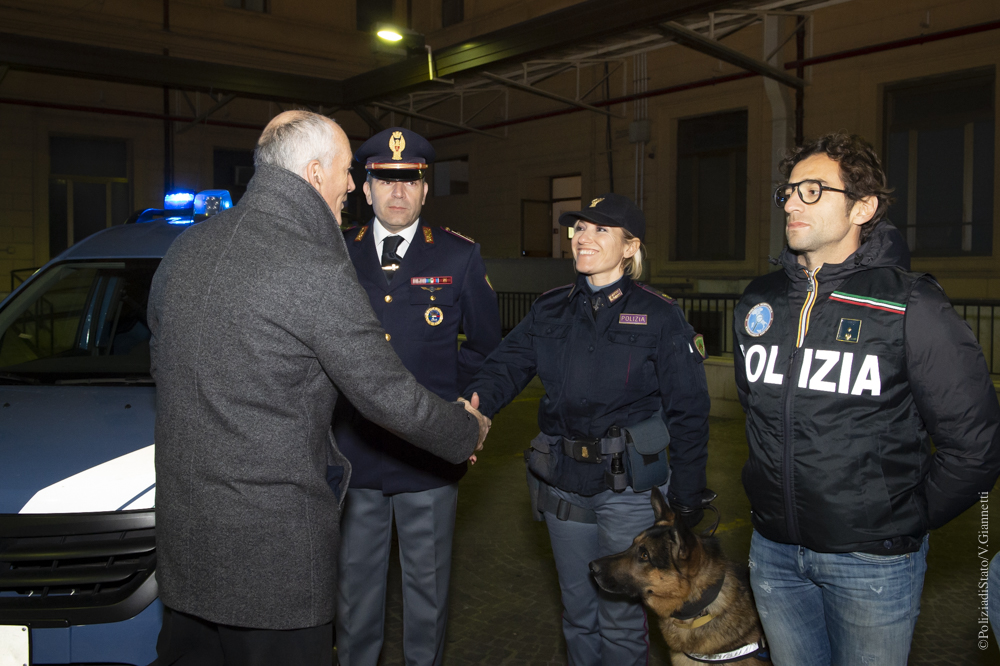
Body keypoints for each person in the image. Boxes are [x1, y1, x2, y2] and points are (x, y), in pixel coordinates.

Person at [148, 110, 490, 666]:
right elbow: (384, 393)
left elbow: (165, 368)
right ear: (313, 174)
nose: (354, 186)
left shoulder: (186, 250)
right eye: (349, 172)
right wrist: (466, 430)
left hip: (188, 547)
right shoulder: (314, 266)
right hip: (274, 556)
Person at [734, 132, 1000, 665]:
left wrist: (903, 518)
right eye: (787, 191)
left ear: (863, 206)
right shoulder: (759, 300)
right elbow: (758, 421)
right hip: (773, 553)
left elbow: (975, 445)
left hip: (871, 564)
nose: (791, 202)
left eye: (813, 190)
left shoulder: (909, 303)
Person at [464, 193, 712, 666]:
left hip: (629, 493)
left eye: (601, 229)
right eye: (579, 227)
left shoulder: (660, 315)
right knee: (577, 612)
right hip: (563, 484)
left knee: (620, 620)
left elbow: (689, 411)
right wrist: (470, 410)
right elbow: (505, 368)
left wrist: (687, 495)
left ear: (630, 247)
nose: (584, 237)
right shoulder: (550, 308)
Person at [333, 127, 502, 666]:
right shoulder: (336, 255)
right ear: (366, 187)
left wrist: (466, 417)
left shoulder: (459, 257)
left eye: (410, 181)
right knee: (355, 601)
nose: (398, 193)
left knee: (426, 600)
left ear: (426, 189)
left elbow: (484, 349)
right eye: (386, 180)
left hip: (427, 459)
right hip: (354, 456)